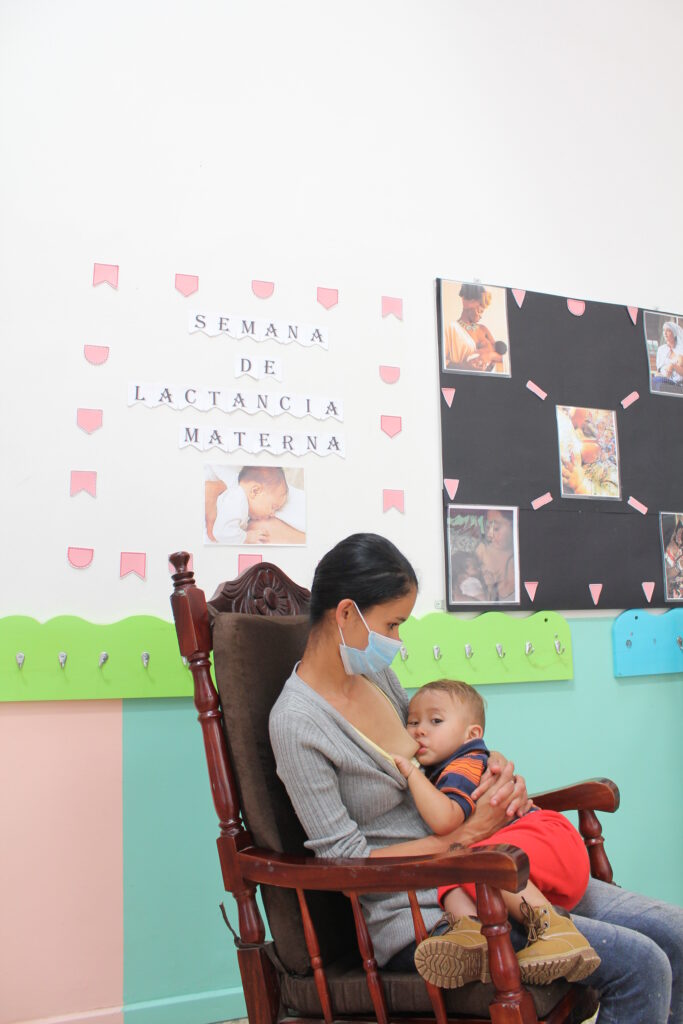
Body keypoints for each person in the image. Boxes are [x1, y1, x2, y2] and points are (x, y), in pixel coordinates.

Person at [269, 533, 683, 1023]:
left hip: (492, 865)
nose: (397, 643)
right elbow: (343, 865)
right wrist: (461, 839)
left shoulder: (373, 678)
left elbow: (434, 756)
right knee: (642, 966)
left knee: (674, 936)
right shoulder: (296, 723)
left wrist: (489, 767)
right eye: (392, 624)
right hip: (429, 913)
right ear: (345, 615)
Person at [394, 679, 599, 988]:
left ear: (472, 734)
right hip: (539, 867)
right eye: (413, 722)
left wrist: (410, 773)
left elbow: (445, 821)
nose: (420, 730)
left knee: (470, 858)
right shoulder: (457, 763)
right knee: (453, 865)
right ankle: (469, 932)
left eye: (435, 721)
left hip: (543, 838)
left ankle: (554, 929)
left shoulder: (461, 767)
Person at [204, 465, 303, 544]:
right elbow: (221, 532)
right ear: (255, 491)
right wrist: (246, 537)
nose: (273, 514)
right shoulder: (238, 501)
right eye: (273, 507)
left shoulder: (238, 496)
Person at [443, 284, 507, 373]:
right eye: (480, 311)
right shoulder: (451, 328)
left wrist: (488, 356)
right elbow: (443, 364)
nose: (481, 316)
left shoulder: (483, 329)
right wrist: (464, 366)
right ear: (468, 303)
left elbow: (500, 356)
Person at [475, 509, 516, 602]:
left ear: (514, 525)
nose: (490, 535)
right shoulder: (482, 550)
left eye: (496, 528)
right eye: (488, 528)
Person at [652, 322, 683, 395]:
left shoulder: (681, 349)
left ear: (674, 333)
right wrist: (657, 374)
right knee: (652, 381)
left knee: (659, 383)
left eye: (668, 330)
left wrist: (673, 366)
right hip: (663, 379)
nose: (665, 333)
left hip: (677, 384)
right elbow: (658, 371)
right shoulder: (661, 349)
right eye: (663, 330)